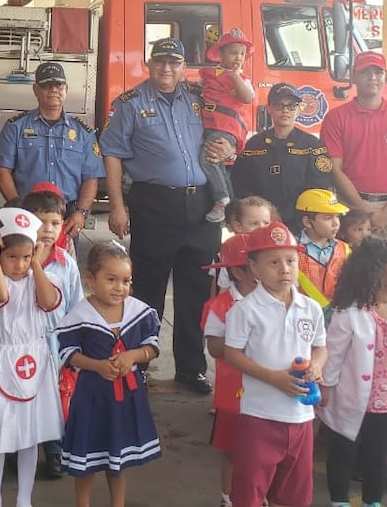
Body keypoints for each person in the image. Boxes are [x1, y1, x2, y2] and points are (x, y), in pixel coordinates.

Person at [100, 38, 231, 395]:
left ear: (183, 65)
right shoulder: (130, 104)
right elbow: (112, 154)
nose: (167, 69)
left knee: (195, 294)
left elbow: (228, 126)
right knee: (148, 292)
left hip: (202, 208)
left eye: (174, 63)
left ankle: (191, 369)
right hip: (155, 205)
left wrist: (229, 146)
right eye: (160, 62)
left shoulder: (198, 98)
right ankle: (138, 366)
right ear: (148, 63)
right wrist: (116, 205)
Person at [222, 222, 327, 507]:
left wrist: (316, 366)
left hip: (301, 417)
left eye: (291, 260)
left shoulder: (311, 307)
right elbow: (232, 353)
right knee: (250, 491)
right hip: (260, 415)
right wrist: (273, 377)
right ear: (254, 268)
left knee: (295, 493)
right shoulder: (245, 310)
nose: (285, 269)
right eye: (273, 262)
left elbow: (320, 347)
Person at [319, 238, 387, 507]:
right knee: (343, 450)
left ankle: (372, 501)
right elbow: (333, 355)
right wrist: (326, 387)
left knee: (378, 455)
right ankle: (339, 500)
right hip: (352, 397)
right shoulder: (349, 312)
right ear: (377, 272)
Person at [57, 241, 160, 507]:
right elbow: (68, 353)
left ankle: (119, 503)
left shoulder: (139, 312)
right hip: (91, 395)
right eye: (111, 279)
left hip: (126, 396)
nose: (120, 287)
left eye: (126, 280)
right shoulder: (80, 314)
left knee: (118, 458)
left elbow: (152, 347)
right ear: (91, 280)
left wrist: (133, 356)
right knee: (87, 457)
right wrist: (97, 365)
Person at [0, 207, 63, 507]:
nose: (20, 264)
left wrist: (37, 265)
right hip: (3, 358)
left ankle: (24, 498)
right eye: (12, 257)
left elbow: (49, 301)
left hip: (35, 361)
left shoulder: (41, 277)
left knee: (31, 433)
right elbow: (0, 296)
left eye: (26, 257)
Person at [0, 60, 104, 239]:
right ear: (36, 90)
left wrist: (81, 213)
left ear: (66, 89)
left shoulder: (83, 133)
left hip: (68, 217)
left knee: (63, 265)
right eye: (47, 85)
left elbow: (91, 177)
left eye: (58, 85)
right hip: (27, 213)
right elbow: (2, 170)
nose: (54, 90)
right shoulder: (16, 127)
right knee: (24, 264)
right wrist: (16, 205)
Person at [320, 51, 387, 241]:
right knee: (348, 264)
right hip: (349, 204)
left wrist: (386, 213)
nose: (372, 77)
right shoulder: (336, 117)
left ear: (386, 78)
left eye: (378, 72)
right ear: (353, 77)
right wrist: (363, 209)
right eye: (365, 72)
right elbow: (335, 169)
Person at [24, 186, 85, 479]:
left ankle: (55, 450)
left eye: (55, 223)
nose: (48, 230)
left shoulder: (66, 263)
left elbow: (75, 308)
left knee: (56, 400)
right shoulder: (15, 260)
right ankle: (19, 448)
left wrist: (75, 348)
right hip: (22, 342)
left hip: (55, 344)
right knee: (23, 395)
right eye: (41, 222)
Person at [229, 82, 332, 238]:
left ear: (299, 109)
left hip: (301, 226)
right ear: (269, 108)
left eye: (291, 106)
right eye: (279, 105)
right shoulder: (254, 145)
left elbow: (318, 188)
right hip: (261, 225)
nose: (285, 110)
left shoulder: (312, 146)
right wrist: (265, 213)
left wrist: (288, 215)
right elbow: (240, 185)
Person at [201, 234, 256, 507]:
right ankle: (228, 498)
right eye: (262, 264)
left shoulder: (279, 301)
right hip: (233, 395)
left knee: (262, 451)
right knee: (233, 450)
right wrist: (247, 337)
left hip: (268, 392)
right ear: (238, 271)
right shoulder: (221, 306)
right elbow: (213, 348)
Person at [199, 28, 255, 223]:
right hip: (212, 126)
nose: (238, 57)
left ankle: (221, 199)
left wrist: (234, 76)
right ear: (220, 54)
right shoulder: (210, 75)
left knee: (208, 158)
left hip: (227, 129)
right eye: (233, 52)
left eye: (242, 53)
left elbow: (247, 98)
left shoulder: (243, 80)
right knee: (219, 167)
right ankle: (232, 207)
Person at [295, 188, 350, 309]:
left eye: (337, 216)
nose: (336, 223)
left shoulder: (345, 249)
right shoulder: (292, 251)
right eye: (328, 218)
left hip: (339, 314)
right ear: (308, 222)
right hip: (304, 314)